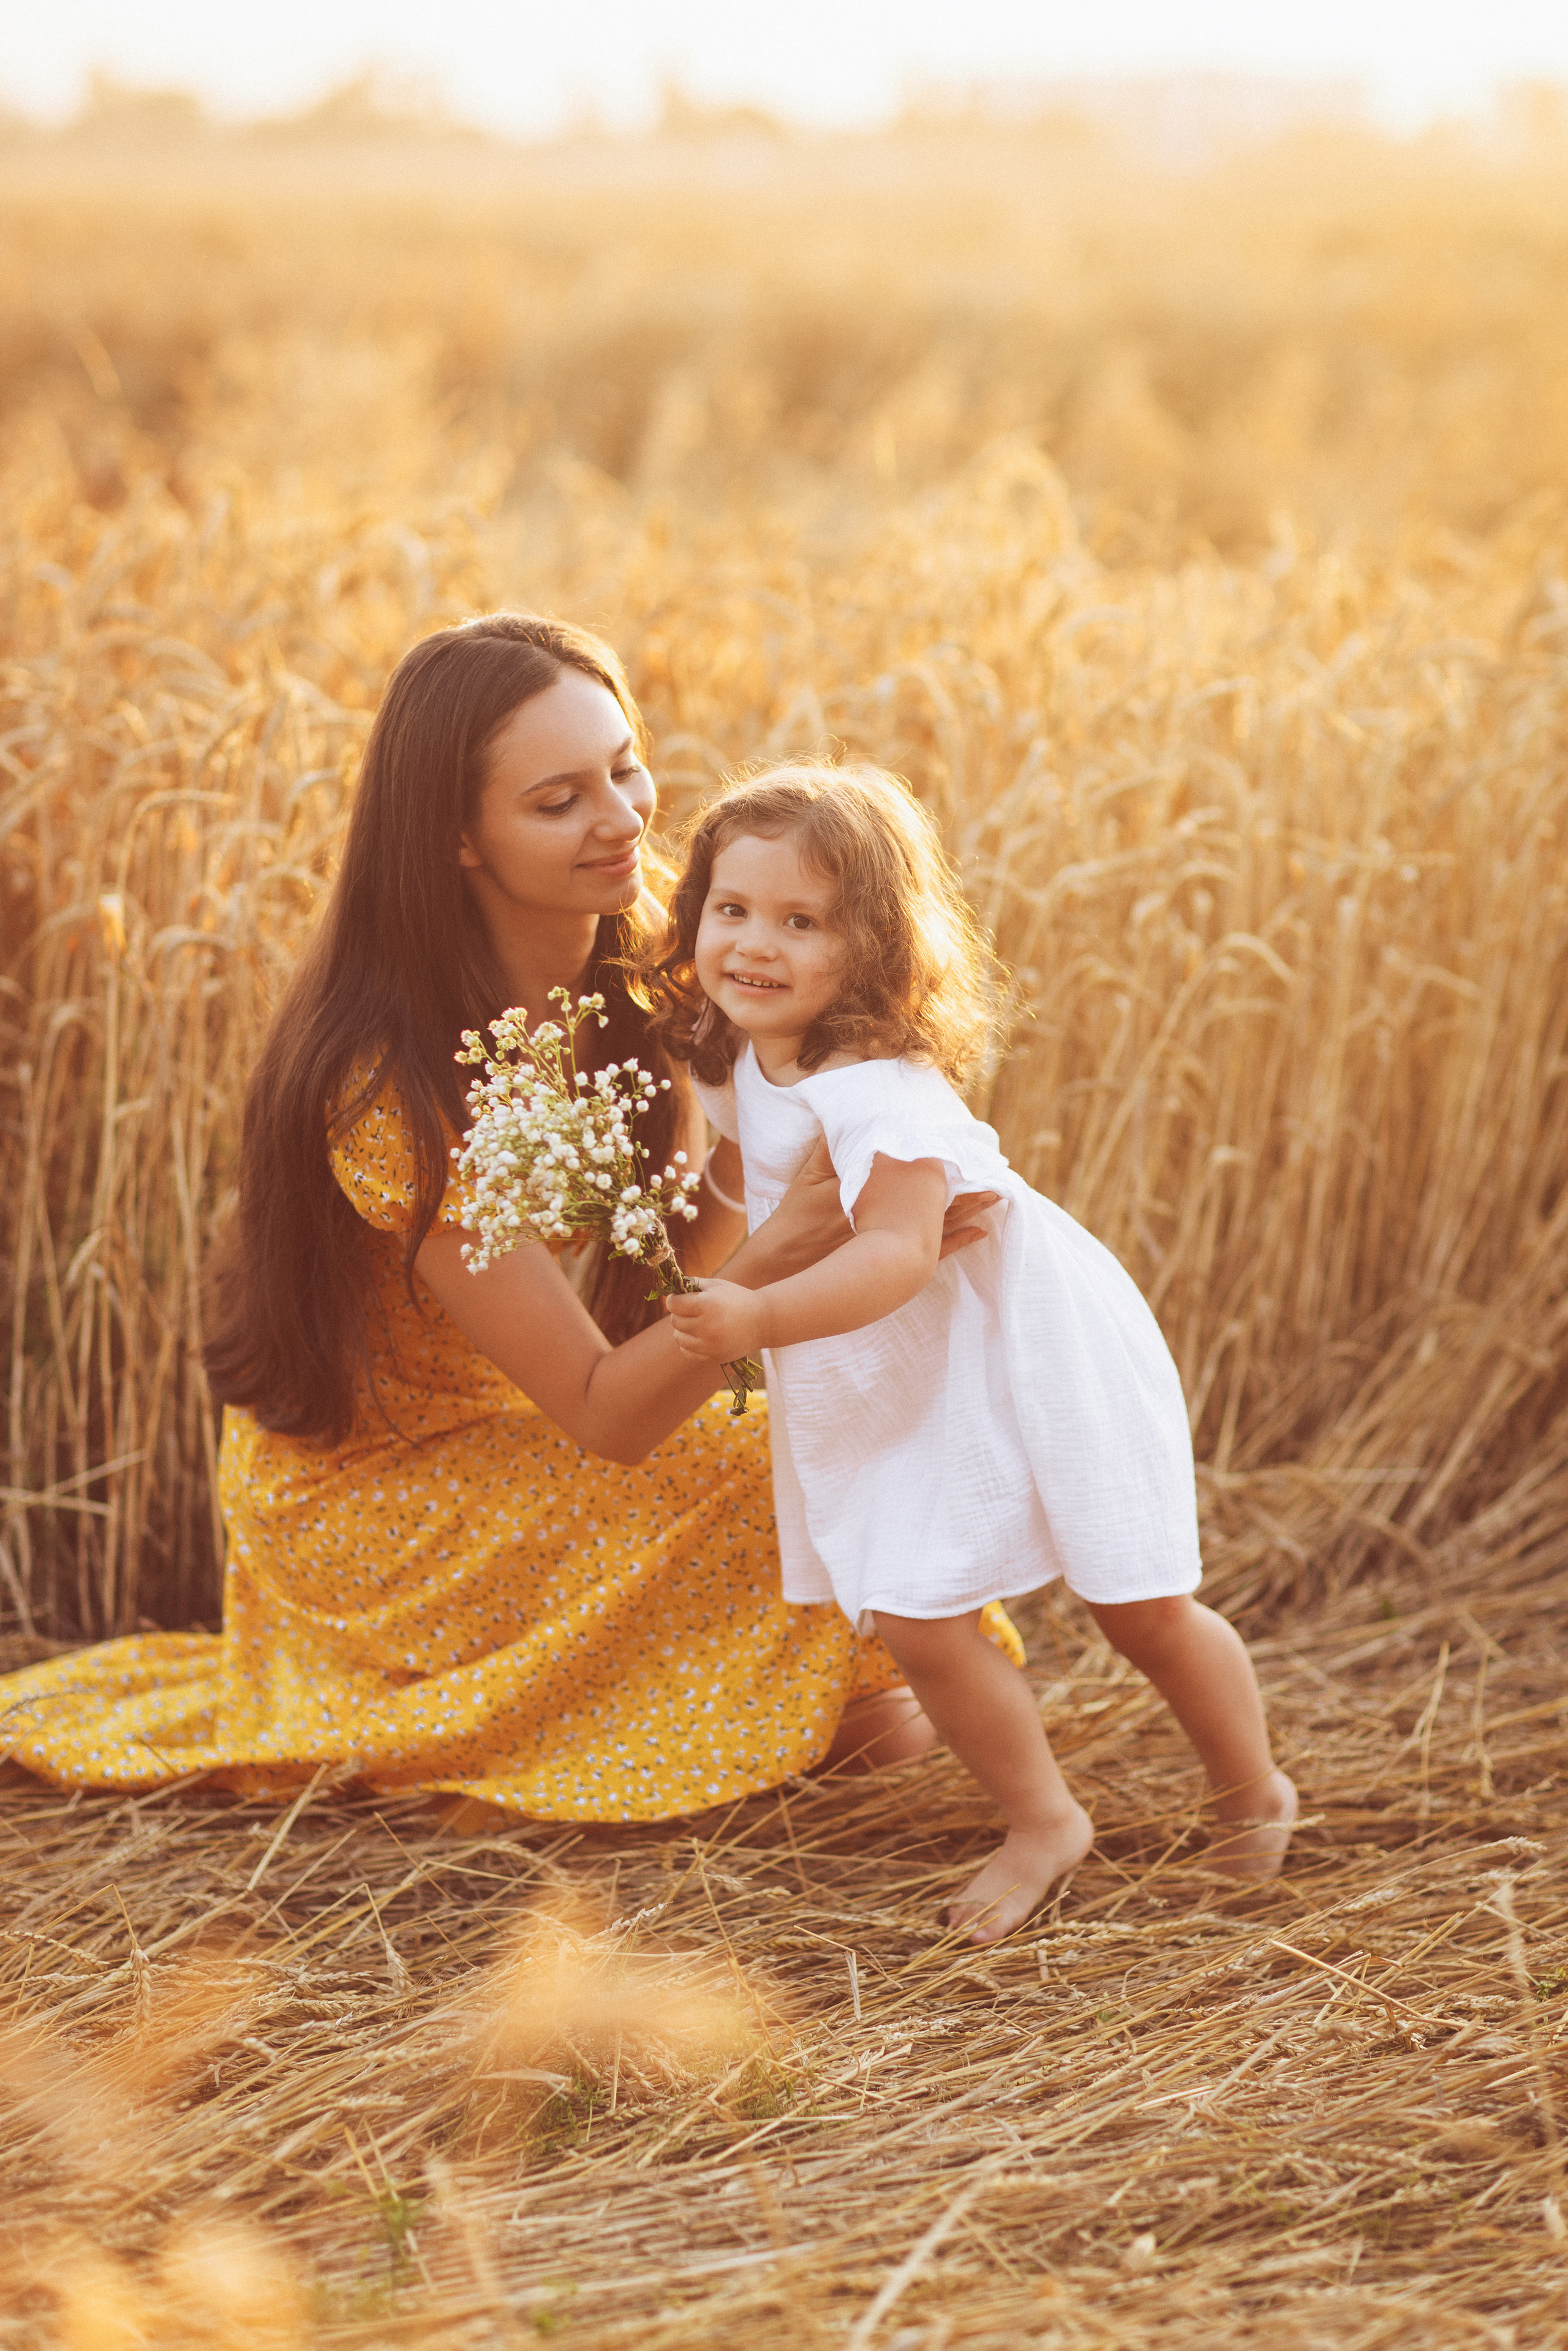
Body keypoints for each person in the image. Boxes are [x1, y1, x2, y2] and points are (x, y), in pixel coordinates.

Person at [0, 617, 1007, 1817]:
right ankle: (563, 1720)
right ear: (457, 840)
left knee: (841, 1487)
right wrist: (789, 1241)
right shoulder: (393, 1087)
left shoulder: (636, 981)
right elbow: (606, 1415)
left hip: (529, 1427)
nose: (626, 817)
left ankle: (776, 1700)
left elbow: (671, 1270)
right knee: (792, 1479)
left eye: (624, 767)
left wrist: (821, 1150)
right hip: (378, 1505)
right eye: (558, 800)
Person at [650, 761, 1298, 1942]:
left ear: (876, 948)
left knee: (1138, 1600)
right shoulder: (730, 1051)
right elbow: (749, 1189)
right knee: (914, 1612)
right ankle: (1044, 1817)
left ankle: (1253, 1786)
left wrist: (753, 1318)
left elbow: (898, 1252)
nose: (756, 944)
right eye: (732, 910)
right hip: (893, 1371)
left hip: (1015, 1344)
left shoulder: (881, 1087)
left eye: (804, 922)